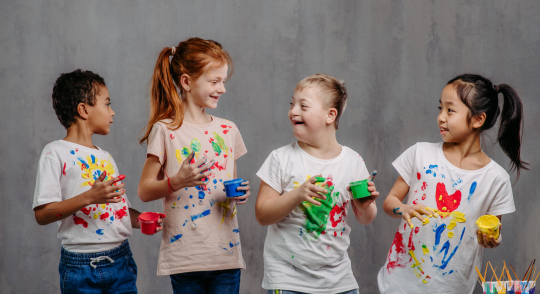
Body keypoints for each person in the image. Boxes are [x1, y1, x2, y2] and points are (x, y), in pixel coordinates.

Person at [378, 74, 528, 294]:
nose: (441, 117)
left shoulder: (495, 178)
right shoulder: (420, 153)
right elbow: (389, 202)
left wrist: (492, 240)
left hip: (452, 288)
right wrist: (403, 208)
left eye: (450, 110)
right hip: (398, 284)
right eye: (440, 108)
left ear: (478, 119)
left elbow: (493, 229)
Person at [33, 69, 161, 294]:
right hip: (79, 269)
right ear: (83, 109)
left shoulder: (105, 157)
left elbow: (119, 209)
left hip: (121, 261)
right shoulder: (55, 153)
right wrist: (89, 197)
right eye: (107, 104)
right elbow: (42, 214)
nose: (112, 112)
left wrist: (143, 220)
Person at [138, 38, 250, 294]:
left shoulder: (228, 130)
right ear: (187, 82)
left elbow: (228, 185)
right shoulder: (165, 130)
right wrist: (177, 181)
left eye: (223, 81)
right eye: (214, 81)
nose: (221, 88)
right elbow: (144, 191)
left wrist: (240, 193)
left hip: (225, 255)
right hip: (185, 257)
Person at [255, 74, 378, 294]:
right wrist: (297, 195)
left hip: (339, 281)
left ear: (330, 115)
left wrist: (365, 204)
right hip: (288, 280)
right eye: (292, 104)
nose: (293, 111)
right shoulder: (281, 158)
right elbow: (262, 215)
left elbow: (366, 219)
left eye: (303, 106)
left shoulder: (353, 161)